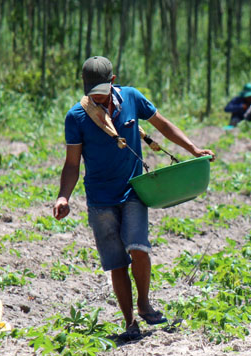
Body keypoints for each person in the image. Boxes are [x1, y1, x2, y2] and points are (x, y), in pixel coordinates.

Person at [53, 56, 215, 340]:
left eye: (103, 91)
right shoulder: (76, 117)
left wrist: (192, 148)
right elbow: (72, 164)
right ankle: (129, 322)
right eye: (94, 93)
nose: (99, 98)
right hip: (100, 199)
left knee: (139, 248)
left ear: (113, 82)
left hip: (133, 191)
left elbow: (163, 125)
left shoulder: (132, 98)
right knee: (116, 263)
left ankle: (144, 302)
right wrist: (63, 197)